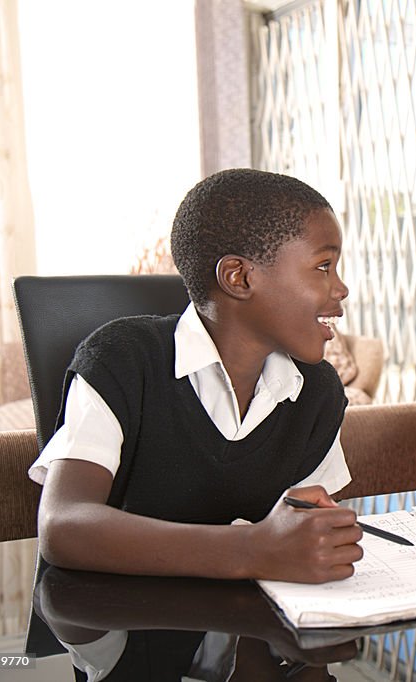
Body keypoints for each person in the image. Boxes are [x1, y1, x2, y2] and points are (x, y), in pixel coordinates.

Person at [29, 168, 363, 584]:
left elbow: (303, 530)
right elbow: (64, 526)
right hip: (125, 631)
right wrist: (252, 550)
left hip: (257, 631)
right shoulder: (123, 360)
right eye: (324, 266)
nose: (341, 287)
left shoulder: (317, 391)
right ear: (239, 278)